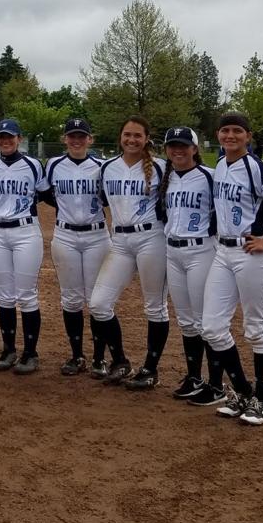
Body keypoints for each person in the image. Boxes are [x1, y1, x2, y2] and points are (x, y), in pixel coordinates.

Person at [201, 111, 263, 425]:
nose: (230, 136)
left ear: (247, 136)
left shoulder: (256, 167)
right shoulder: (220, 164)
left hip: (253, 256)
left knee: (257, 330)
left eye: (237, 131)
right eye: (225, 131)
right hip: (223, 251)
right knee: (213, 328)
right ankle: (244, 392)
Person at [89, 116, 169, 388]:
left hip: (152, 238)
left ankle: (150, 369)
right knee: (99, 304)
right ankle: (120, 360)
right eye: (127, 135)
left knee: (155, 307)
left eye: (137, 135)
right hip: (120, 240)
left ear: (147, 138)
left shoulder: (161, 167)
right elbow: (98, 201)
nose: (132, 140)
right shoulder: (106, 168)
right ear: (120, 137)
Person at [43, 117, 110, 377]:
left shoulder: (102, 166)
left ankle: (99, 358)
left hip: (96, 236)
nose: (77, 140)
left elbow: (109, 196)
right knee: (71, 299)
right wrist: (66, 209)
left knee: (96, 300)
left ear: (90, 139)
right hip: (65, 235)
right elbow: (45, 194)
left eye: (82, 136)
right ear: (65, 139)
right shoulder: (53, 166)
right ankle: (76, 355)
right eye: (72, 135)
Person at [0, 118, 50, 375]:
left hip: (25, 231)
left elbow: (46, 195)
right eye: (1, 137)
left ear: (19, 138)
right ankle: (8, 349)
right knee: (3, 295)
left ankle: (30, 352)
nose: (5, 141)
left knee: (26, 294)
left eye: (10, 136)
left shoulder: (33, 165)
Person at [155, 126, 217, 397]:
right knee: (187, 321)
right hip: (173, 252)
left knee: (205, 321)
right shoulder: (166, 178)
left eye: (183, 145)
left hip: (201, 251)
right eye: (172, 146)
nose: (178, 150)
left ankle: (216, 385)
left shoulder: (209, 177)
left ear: (195, 148)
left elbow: (243, 199)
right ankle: (194, 378)